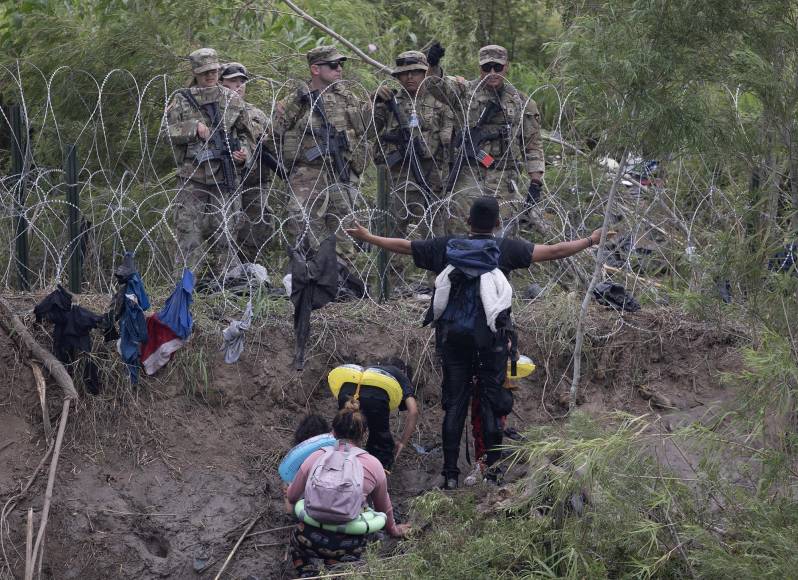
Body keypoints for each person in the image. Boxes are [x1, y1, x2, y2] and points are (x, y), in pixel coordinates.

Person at [346, 196, 605, 489]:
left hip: (452, 341)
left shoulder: (448, 247)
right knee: (490, 404)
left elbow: (405, 246)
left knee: (455, 404)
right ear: (497, 223)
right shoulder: (506, 249)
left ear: (467, 222)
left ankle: (450, 474)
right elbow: (555, 250)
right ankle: (492, 471)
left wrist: (369, 237)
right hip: (492, 341)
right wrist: (590, 240)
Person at [425, 44, 545, 234]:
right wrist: (433, 65)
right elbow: (435, 86)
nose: (492, 72)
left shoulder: (522, 102)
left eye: (497, 67)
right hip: (469, 175)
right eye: (486, 67)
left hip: (503, 178)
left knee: (502, 237)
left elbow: (532, 145)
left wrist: (535, 183)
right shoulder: (464, 92)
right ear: (479, 67)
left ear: (506, 67)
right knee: (461, 231)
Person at [285, 401, 410, 577]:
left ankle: (307, 572)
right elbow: (384, 508)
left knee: (297, 546)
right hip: (350, 544)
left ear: (333, 432)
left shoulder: (316, 456)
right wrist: (394, 530)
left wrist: (292, 487)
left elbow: (291, 497)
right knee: (372, 530)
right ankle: (338, 567)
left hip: (309, 541)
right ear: (364, 435)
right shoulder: (374, 465)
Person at [274, 45, 371, 260]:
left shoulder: (349, 98)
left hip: (340, 169)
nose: (339, 69)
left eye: (341, 65)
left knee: (344, 225)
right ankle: (308, 270)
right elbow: (276, 132)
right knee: (301, 221)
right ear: (315, 69)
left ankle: (342, 276)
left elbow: (366, 131)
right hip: (308, 171)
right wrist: (296, 103)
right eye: (334, 65)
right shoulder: (296, 99)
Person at [165, 48, 254, 277]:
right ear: (195, 72)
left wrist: (244, 153)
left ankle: (225, 282)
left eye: (213, 71)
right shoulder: (182, 100)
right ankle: (184, 284)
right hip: (192, 176)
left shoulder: (232, 100)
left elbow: (246, 135)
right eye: (204, 72)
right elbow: (168, 131)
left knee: (225, 231)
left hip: (224, 176)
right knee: (188, 232)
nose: (210, 76)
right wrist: (193, 128)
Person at [373, 50, 453, 241]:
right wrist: (373, 101)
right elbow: (367, 128)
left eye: (415, 72)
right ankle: (392, 271)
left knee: (435, 237)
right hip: (398, 179)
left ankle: (437, 271)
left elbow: (451, 141)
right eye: (404, 73)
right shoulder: (389, 101)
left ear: (425, 73)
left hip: (431, 180)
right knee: (392, 236)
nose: (409, 77)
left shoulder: (441, 101)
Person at [219, 62, 278, 262]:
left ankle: (250, 274)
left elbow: (273, 143)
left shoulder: (256, 114)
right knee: (226, 229)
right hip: (224, 184)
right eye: (232, 81)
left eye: (241, 81)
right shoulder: (215, 113)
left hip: (255, 183)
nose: (238, 85)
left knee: (257, 230)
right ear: (221, 83)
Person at [335, 359, 419, 471]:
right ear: (403, 371)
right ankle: (376, 476)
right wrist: (402, 442)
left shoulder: (369, 369)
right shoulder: (400, 374)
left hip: (346, 391)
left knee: (347, 434)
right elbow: (413, 411)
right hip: (375, 396)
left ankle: (339, 468)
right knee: (381, 443)